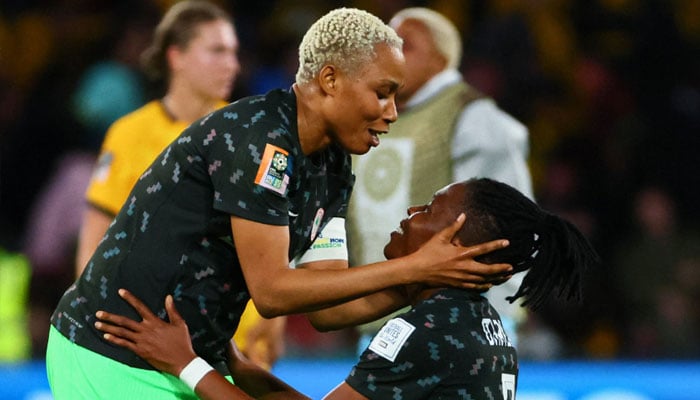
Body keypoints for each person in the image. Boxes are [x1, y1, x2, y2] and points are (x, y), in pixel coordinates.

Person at [46, 8, 512, 399]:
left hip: (183, 357)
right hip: (113, 350)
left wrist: (421, 284)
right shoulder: (260, 140)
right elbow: (271, 292)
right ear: (329, 79)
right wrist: (413, 270)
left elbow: (327, 305)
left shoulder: (333, 166)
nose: (391, 112)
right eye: (383, 92)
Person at [93, 177, 598, 399]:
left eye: (429, 212)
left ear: (458, 243)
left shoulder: (428, 327)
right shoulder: (481, 324)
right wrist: (238, 367)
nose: (410, 214)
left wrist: (187, 365)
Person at [72, 0, 283, 370]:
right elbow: (96, 236)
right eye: (217, 51)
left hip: (237, 340)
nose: (232, 64)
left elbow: (274, 232)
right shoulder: (129, 134)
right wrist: (96, 314)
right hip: (148, 337)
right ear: (177, 56)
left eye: (234, 52)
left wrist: (275, 318)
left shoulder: (251, 134)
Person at [347, 7, 534, 354]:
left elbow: (507, 225)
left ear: (440, 58)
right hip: (381, 315)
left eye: (406, 44)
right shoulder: (369, 118)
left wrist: (495, 314)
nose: (391, 54)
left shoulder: (473, 116)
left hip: (457, 318)